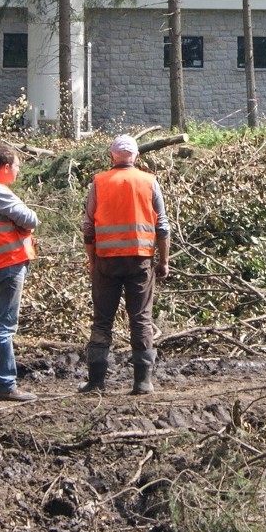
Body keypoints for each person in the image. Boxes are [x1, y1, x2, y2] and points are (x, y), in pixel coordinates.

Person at [79, 134, 170, 395]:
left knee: (102, 320)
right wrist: (163, 260)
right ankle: (143, 382)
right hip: (140, 260)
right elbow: (162, 227)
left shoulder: (99, 182)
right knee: (141, 318)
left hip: (106, 261)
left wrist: (92, 260)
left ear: (112, 157)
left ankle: (96, 382)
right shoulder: (149, 181)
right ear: (137, 157)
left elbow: (88, 227)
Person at [0, 143, 39, 403]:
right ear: (4, 167)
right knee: (4, 326)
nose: (18, 171)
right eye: (16, 166)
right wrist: (25, 225)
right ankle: (4, 383)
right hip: (9, 262)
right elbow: (31, 219)